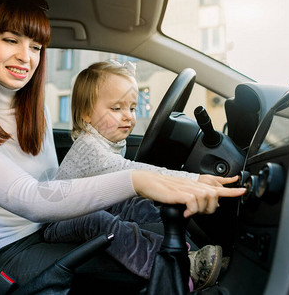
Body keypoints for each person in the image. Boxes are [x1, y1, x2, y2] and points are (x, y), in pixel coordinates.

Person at [0, 0, 246, 291]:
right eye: (10, 40)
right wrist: (136, 180)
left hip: (48, 228)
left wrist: (192, 181)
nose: (26, 56)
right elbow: (28, 198)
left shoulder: (33, 108)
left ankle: (195, 257)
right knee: (119, 235)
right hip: (8, 255)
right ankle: (185, 269)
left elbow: (55, 185)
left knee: (132, 207)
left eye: (36, 46)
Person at [43, 60, 225, 290]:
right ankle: (175, 267)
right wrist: (193, 179)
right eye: (117, 108)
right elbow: (133, 171)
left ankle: (181, 245)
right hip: (58, 221)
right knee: (100, 222)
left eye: (132, 108)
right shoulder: (89, 148)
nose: (128, 116)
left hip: (86, 204)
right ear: (87, 114)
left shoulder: (109, 139)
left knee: (133, 202)